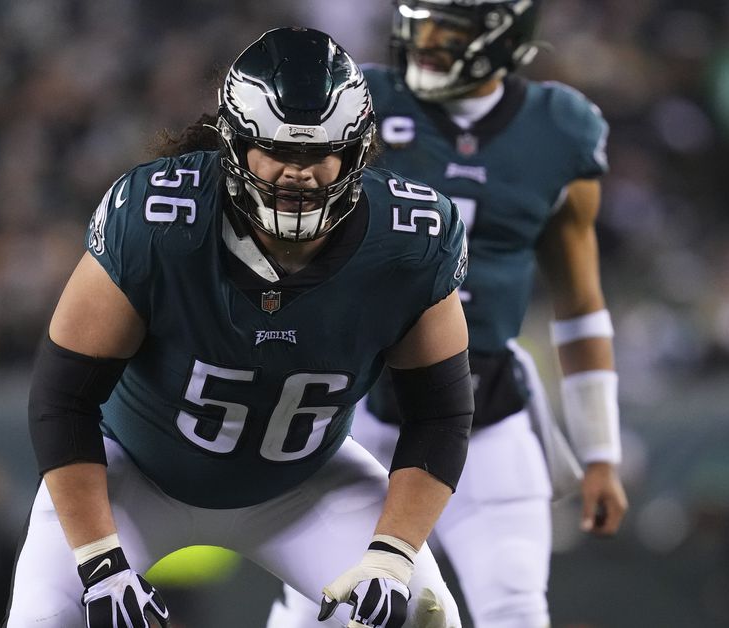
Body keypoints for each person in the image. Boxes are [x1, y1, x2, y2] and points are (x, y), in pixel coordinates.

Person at [4, 27, 475, 628]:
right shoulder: (159, 222)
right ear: (234, 144)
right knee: (46, 618)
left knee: (425, 615)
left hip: (305, 484)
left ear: (356, 153)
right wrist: (100, 562)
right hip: (135, 474)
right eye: (276, 150)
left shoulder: (409, 242)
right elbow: (61, 398)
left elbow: (440, 415)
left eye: (318, 153)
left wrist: (393, 553)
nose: (298, 173)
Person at [268, 2, 629, 627]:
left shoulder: (559, 129)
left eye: (450, 29)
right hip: (361, 404)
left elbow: (579, 304)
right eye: (420, 21)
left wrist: (600, 451)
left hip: (485, 413)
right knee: (315, 610)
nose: (428, 41)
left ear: (506, 38)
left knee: (514, 608)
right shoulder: (361, 101)